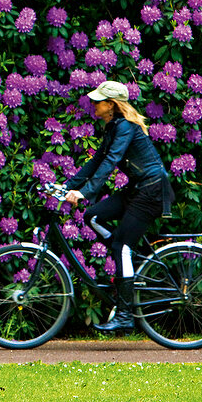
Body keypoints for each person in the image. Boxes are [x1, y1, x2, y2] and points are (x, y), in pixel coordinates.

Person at [63, 80, 175, 332]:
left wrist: (84, 192)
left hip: (152, 192)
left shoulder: (125, 126)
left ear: (111, 105)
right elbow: (97, 161)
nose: (93, 104)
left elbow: (112, 161)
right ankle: (128, 261)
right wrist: (67, 186)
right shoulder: (114, 127)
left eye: (98, 101)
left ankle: (125, 316)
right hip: (138, 189)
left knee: (122, 247)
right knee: (93, 216)